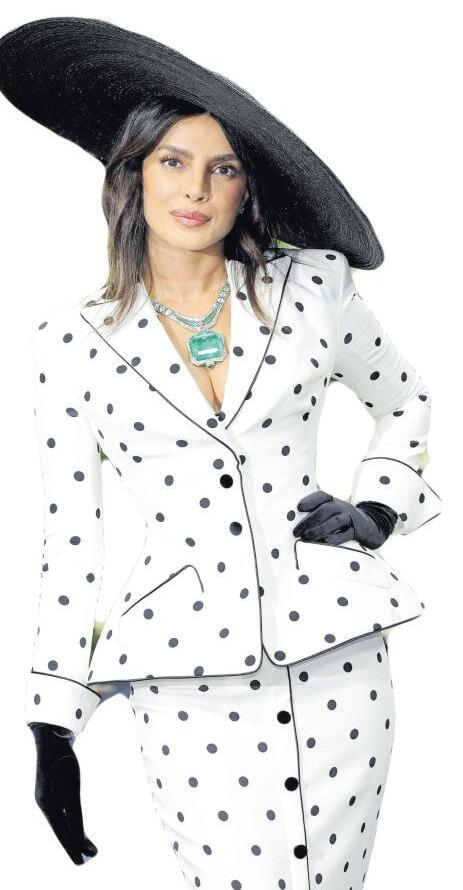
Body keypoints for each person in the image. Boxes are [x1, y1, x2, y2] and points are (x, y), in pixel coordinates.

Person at [0, 17, 442, 887]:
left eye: (223, 167)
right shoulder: (70, 344)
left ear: (247, 188)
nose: (195, 188)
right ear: (132, 172)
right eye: (172, 161)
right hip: (185, 681)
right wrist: (53, 724)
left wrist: (378, 508)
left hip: (338, 661)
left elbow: (404, 402)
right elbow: (72, 540)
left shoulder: (314, 287)